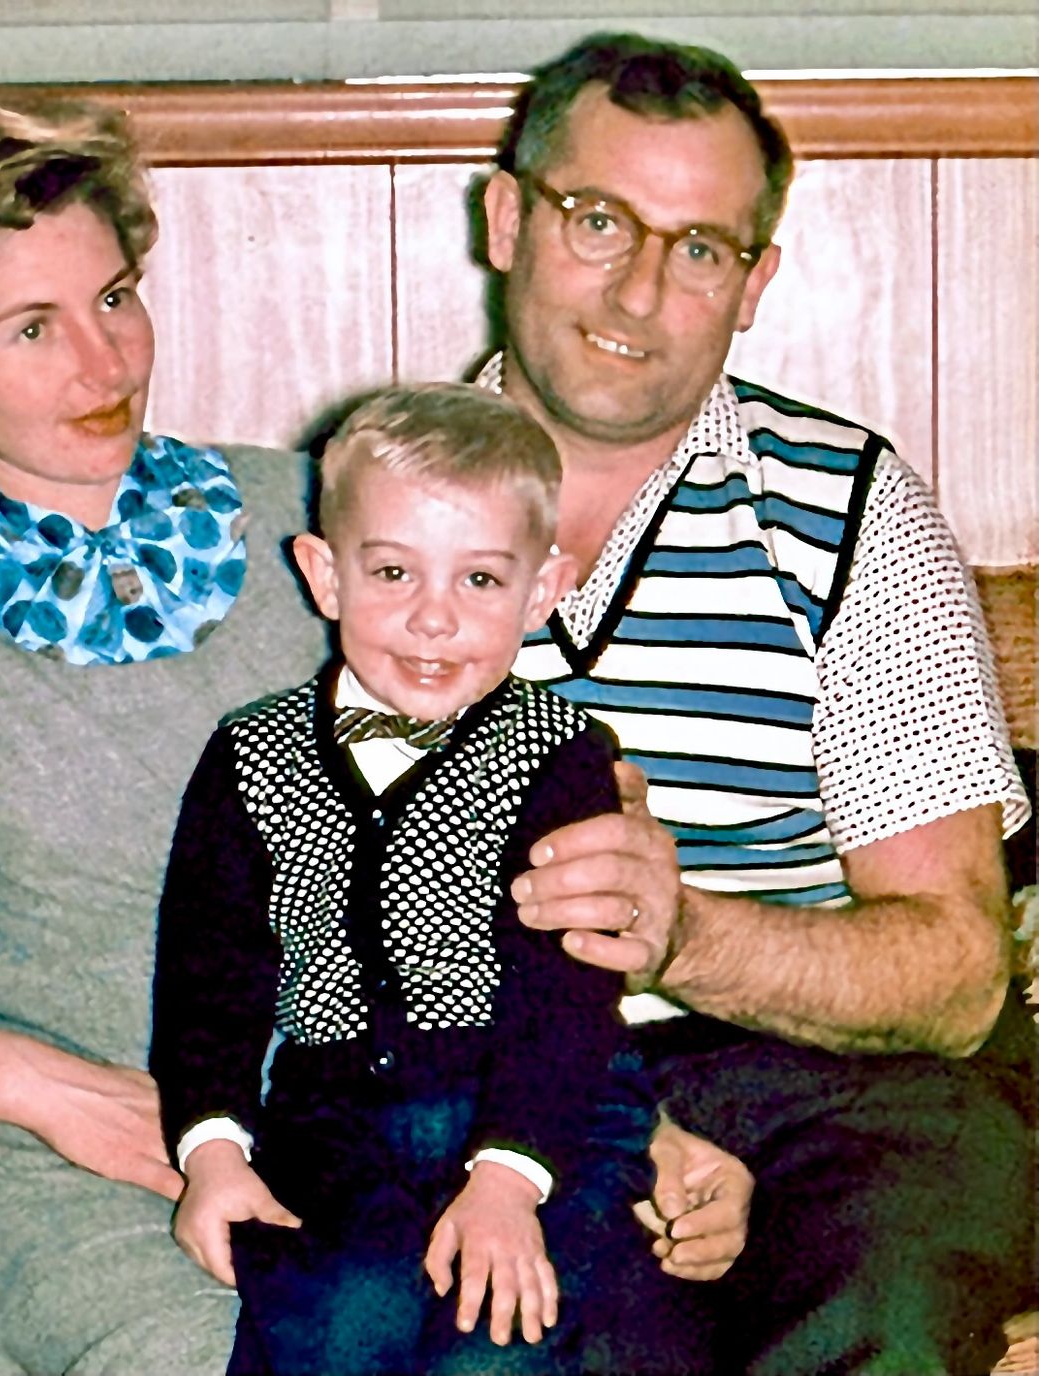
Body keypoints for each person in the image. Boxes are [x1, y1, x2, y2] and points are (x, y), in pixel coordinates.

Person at [0, 96, 751, 1374]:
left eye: (115, 296)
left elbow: (520, 847)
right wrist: (34, 1087)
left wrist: (615, 1119)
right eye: (32, 325)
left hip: (408, 1118)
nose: (104, 361)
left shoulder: (324, 521)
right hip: (83, 1168)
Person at [476, 30, 1034, 1375]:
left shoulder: (848, 514)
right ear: (507, 217)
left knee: (886, 1280)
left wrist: (678, 934)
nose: (641, 288)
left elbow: (959, 976)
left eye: (701, 247)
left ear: (755, 281)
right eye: (597, 218)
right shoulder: (360, 510)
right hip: (490, 1087)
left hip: (832, 1093)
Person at [152, 383, 723, 1376]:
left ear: (540, 591)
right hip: (332, 1115)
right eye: (391, 572)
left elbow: (567, 991)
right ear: (324, 574)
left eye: (478, 582)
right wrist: (211, 1151)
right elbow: (209, 977)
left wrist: (509, 1178)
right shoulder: (247, 752)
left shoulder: (558, 754)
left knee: (498, 1335)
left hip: (542, 1107)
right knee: (332, 1318)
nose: (430, 618)